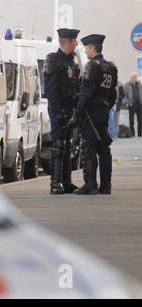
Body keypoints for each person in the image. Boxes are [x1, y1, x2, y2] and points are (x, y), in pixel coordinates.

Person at [67, 34, 118, 195]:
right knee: (104, 149)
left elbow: (85, 94)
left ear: (93, 49)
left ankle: (90, 184)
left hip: (90, 113)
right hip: (103, 113)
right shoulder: (110, 67)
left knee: (89, 148)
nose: (85, 52)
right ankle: (106, 185)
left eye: (87, 48)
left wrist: (77, 114)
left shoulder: (92, 66)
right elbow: (113, 95)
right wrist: (105, 108)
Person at [43, 28, 81, 194]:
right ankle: (55, 182)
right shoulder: (53, 59)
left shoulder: (72, 61)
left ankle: (67, 181)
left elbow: (75, 86)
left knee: (67, 145)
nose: (76, 44)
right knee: (58, 145)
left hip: (69, 108)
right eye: (74, 41)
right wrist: (58, 111)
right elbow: (50, 89)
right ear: (67, 42)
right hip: (58, 108)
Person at [123, 72, 142, 137]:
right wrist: (129, 103)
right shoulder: (127, 85)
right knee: (131, 120)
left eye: (136, 77)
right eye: (135, 77)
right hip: (131, 104)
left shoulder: (139, 84)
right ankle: (132, 133)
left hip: (139, 104)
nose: (136, 78)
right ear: (131, 78)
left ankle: (140, 133)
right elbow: (124, 96)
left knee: (140, 119)